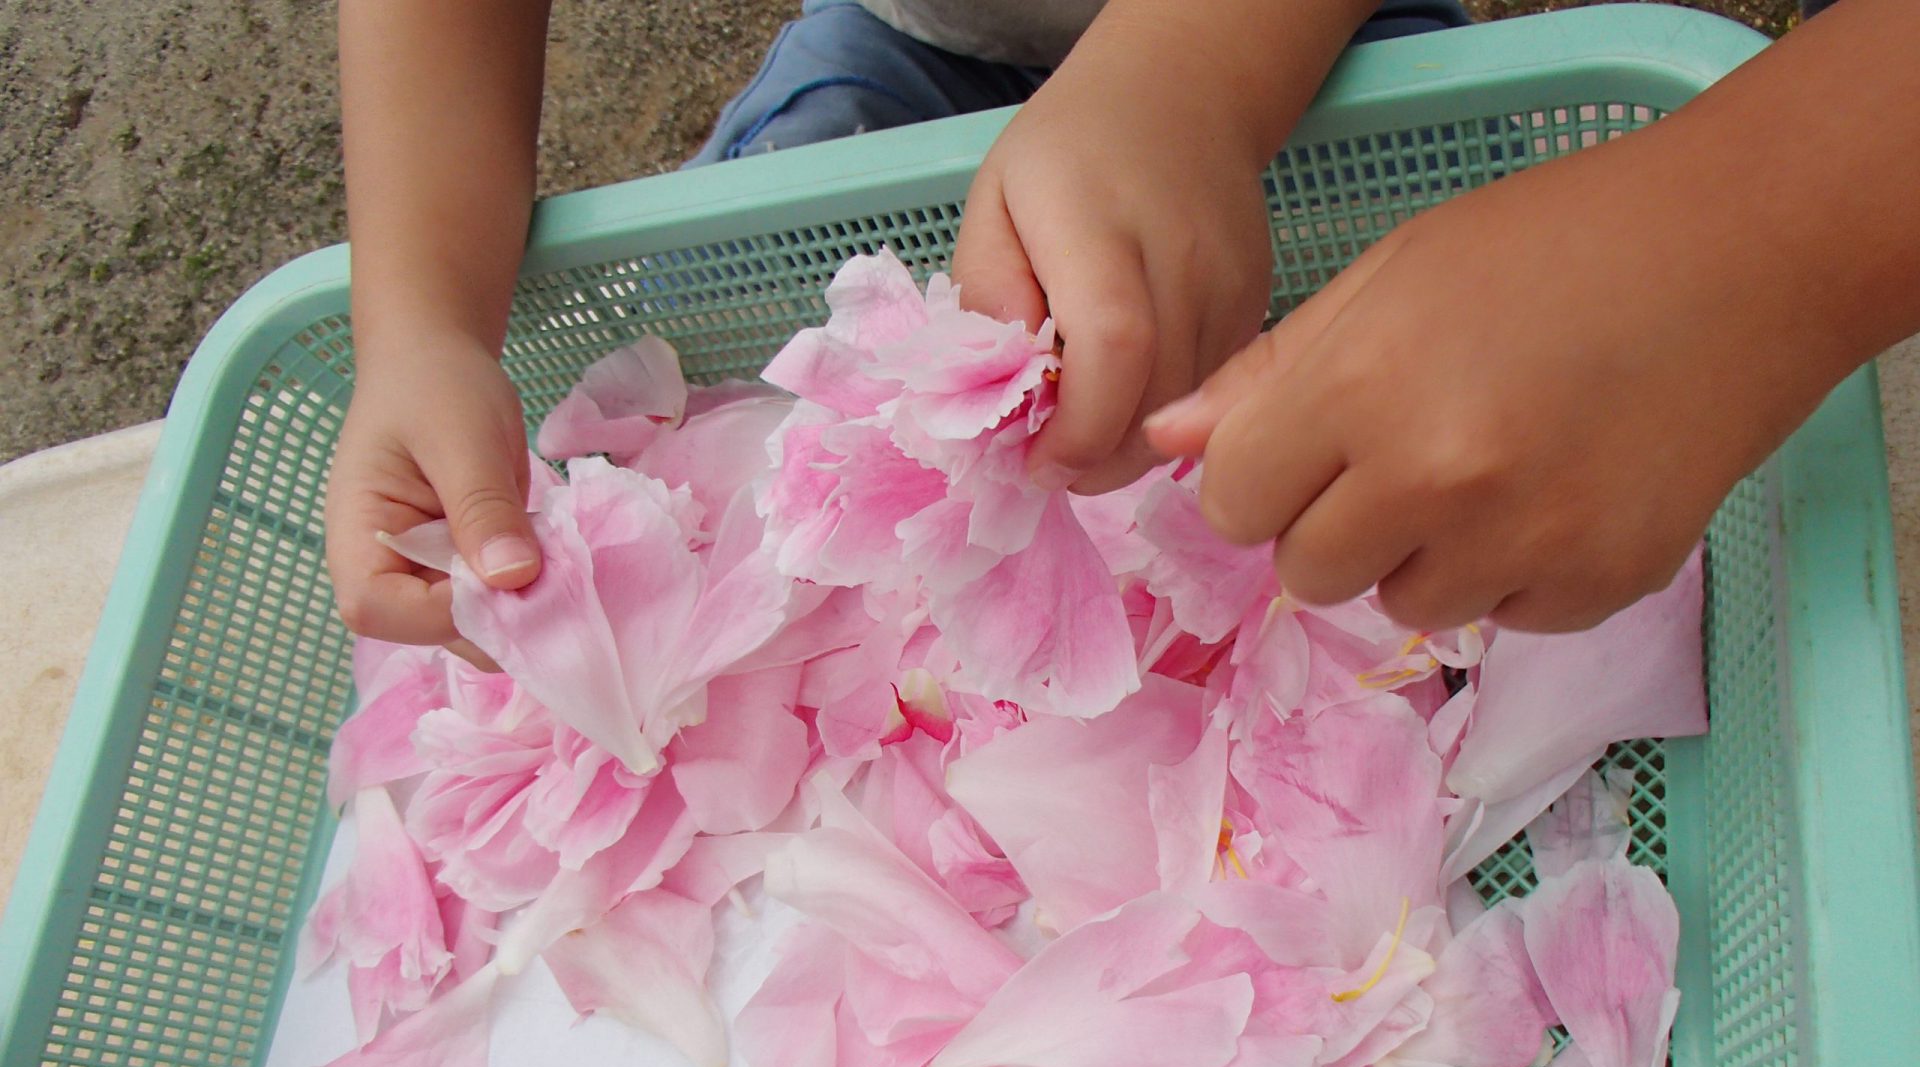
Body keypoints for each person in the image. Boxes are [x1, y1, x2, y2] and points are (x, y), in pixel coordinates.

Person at [325, 0, 1920, 653]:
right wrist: (422, 314)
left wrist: (1740, 261)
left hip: (1307, 38)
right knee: (730, 374)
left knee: (1461, 397)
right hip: (911, 37)